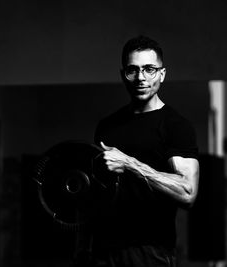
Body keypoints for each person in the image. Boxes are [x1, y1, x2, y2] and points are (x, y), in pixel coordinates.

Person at [90, 35, 200, 267]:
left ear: (162, 73)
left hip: (150, 250)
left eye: (149, 69)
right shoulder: (107, 126)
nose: (141, 78)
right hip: (102, 248)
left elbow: (187, 192)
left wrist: (131, 164)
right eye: (133, 70)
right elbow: (96, 191)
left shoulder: (175, 126)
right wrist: (82, 249)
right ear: (123, 75)